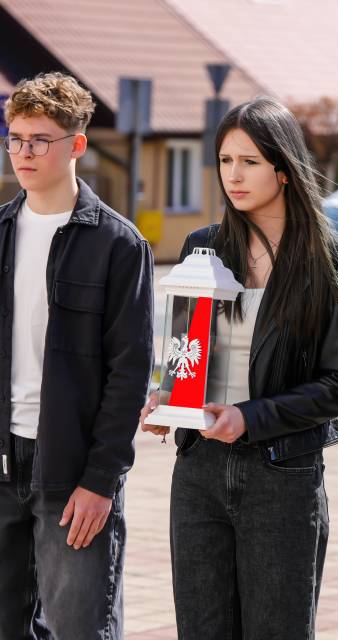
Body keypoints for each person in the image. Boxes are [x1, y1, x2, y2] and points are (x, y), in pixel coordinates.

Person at [141, 96, 338, 640]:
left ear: (283, 169)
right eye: (225, 161)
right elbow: (185, 352)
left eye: (249, 161)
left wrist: (249, 417)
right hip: (199, 472)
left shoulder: (330, 255)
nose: (233, 176)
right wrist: (168, 398)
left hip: (282, 474)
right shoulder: (202, 247)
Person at [0, 72, 154, 639]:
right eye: (15, 138)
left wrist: (101, 480)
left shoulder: (118, 244)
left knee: (80, 629)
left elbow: (129, 373)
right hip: (2, 462)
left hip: (72, 473)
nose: (24, 152)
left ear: (77, 145)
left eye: (40, 140)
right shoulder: (0, 233)